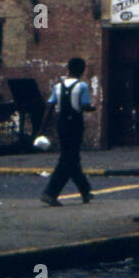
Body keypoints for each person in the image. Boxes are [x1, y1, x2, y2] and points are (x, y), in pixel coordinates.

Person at [39, 57, 96, 206]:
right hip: (75, 124)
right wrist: (93, 108)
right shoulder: (82, 86)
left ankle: (85, 191)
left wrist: (41, 130)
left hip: (61, 123)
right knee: (68, 158)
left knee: (71, 157)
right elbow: (84, 106)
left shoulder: (58, 86)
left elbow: (50, 107)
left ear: (68, 69)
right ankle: (50, 192)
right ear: (82, 71)